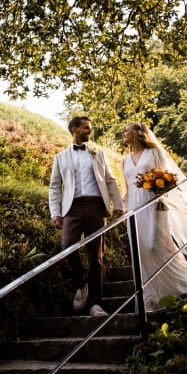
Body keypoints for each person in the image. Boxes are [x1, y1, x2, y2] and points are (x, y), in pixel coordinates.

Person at [121, 121, 187, 312]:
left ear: (138, 133)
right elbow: (126, 189)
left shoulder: (154, 153)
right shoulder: (124, 160)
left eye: (127, 131)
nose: (124, 133)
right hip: (134, 209)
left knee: (155, 245)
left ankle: (180, 282)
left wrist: (158, 188)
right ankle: (148, 297)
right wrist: (123, 211)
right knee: (140, 252)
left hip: (154, 204)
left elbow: (169, 180)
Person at [49, 116, 124, 316]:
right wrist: (55, 212)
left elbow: (109, 179)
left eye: (90, 128)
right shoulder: (61, 157)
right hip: (71, 209)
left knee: (95, 257)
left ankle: (95, 304)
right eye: (86, 128)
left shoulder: (98, 153)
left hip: (95, 207)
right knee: (67, 246)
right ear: (74, 129)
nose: (89, 131)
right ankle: (81, 285)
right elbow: (55, 187)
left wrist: (117, 205)